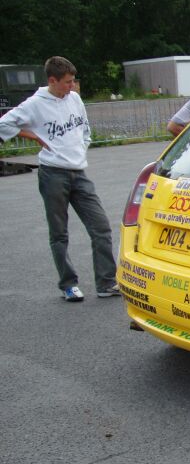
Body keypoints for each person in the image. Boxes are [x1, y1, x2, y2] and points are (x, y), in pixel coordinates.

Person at [0, 56, 120, 301]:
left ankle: (106, 282)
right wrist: (32, 136)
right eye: (67, 82)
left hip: (79, 172)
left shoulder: (74, 99)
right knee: (59, 232)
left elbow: (84, 128)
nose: (72, 86)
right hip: (53, 174)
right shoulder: (34, 104)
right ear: (52, 80)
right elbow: (3, 124)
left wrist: (81, 148)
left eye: (73, 80)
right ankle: (68, 284)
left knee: (101, 228)